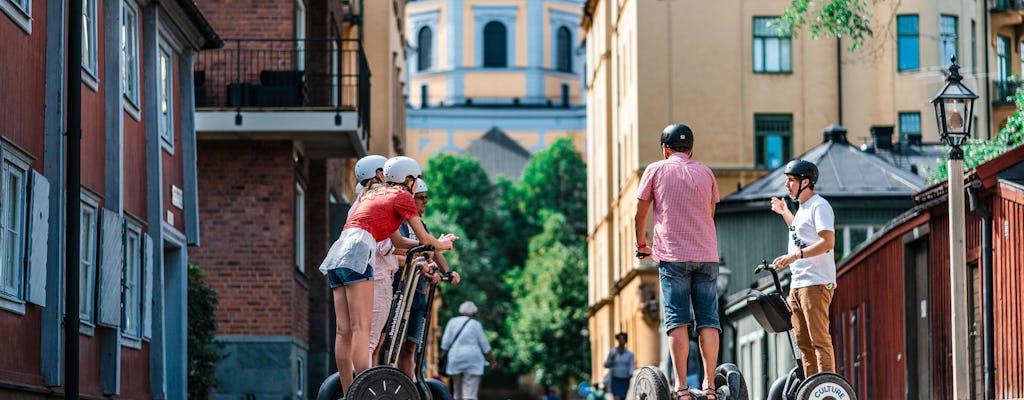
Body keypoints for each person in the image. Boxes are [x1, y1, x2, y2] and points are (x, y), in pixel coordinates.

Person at [318, 155, 456, 395]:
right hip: (360, 254)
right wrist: (441, 244)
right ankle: (364, 391)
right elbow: (424, 238)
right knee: (362, 328)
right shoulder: (402, 197)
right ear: (409, 179)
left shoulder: (371, 196)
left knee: (344, 331)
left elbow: (399, 241)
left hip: (338, 254)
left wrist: (429, 249)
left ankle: (349, 390)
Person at [634, 124, 721, 400]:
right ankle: (710, 386)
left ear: (665, 148)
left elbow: (639, 213)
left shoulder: (656, 170)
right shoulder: (706, 173)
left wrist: (641, 245)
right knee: (708, 321)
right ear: (691, 149)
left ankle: (681, 388)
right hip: (706, 256)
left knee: (677, 322)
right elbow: (710, 212)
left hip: (673, 257)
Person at [769, 160, 837, 376]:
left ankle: (826, 391)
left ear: (805, 182)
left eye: (791, 181)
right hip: (798, 284)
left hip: (816, 282)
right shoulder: (802, 210)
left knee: (819, 340)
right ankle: (811, 390)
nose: (787, 186)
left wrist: (795, 256)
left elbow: (828, 243)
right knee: (803, 345)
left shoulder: (819, 206)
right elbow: (799, 234)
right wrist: (784, 212)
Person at [394, 178, 460, 378]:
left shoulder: (420, 225)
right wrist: (425, 263)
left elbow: (433, 249)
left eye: (426, 198)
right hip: (402, 290)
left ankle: (410, 386)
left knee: (411, 346)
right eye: (421, 198)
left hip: (420, 291)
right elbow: (397, 251)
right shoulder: (399, 225)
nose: (425, 202)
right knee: (394, 343)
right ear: (410, 200)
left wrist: (447, 271)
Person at [440, 301, 497, 400]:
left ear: (461, 311)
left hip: (455, 358)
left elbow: (444, 345)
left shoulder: (452, 322)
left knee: (457, 393)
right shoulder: (476, 324)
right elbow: (485, 346)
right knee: (470, 394)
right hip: (473, 360)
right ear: (473, 313)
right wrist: (492, 360)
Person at [602, 332, 636, 400]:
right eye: (619, 339)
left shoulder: (630, 354)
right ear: (617, 340)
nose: (621, 341)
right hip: (615, 379)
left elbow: (631, 365)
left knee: (622, 398)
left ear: (626, 340)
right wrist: (611, 360)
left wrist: (631, 373)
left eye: (623, 339)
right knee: (617, 398)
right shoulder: (613, 352)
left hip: (625, 380)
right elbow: (606, 365)